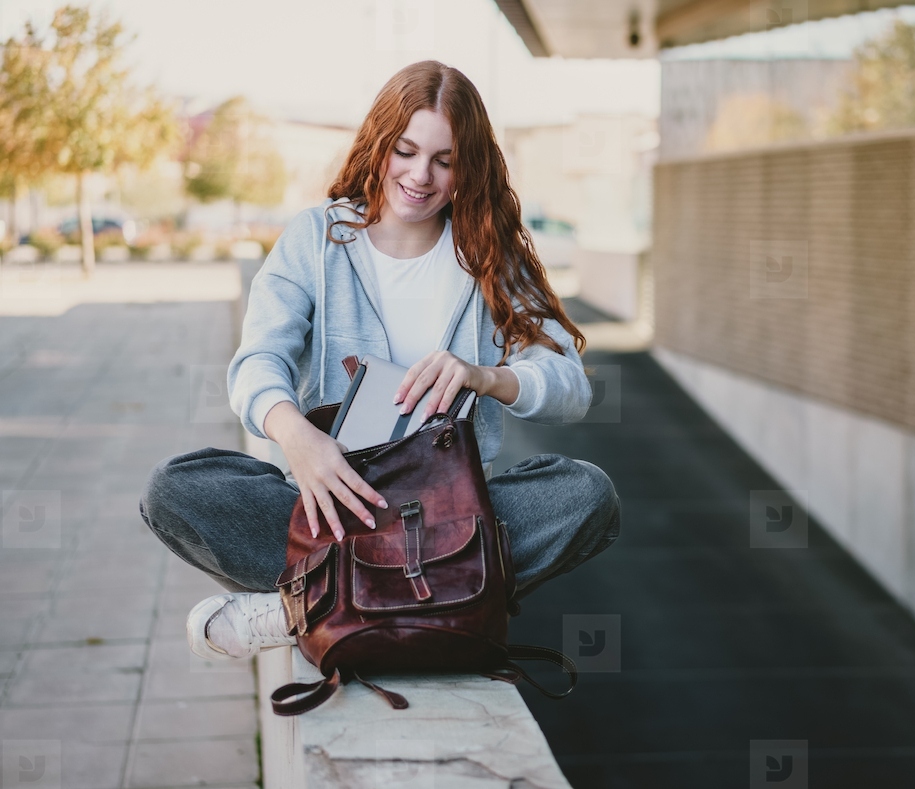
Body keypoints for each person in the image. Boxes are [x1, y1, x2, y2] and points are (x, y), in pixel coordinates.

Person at [138, 61, 622, 660]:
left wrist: (486, 376)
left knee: (585, 495)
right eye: (406, 150)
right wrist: (297, 440)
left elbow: (570, 386)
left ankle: (302, 606)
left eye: (444, 160)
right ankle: (432, 600)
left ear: (467, 166)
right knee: (176, 488)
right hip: (330, 502)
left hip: (447, 517)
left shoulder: (489, 255)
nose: (421, 176)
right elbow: (258, 359)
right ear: (380, 144)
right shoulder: (316, 239)